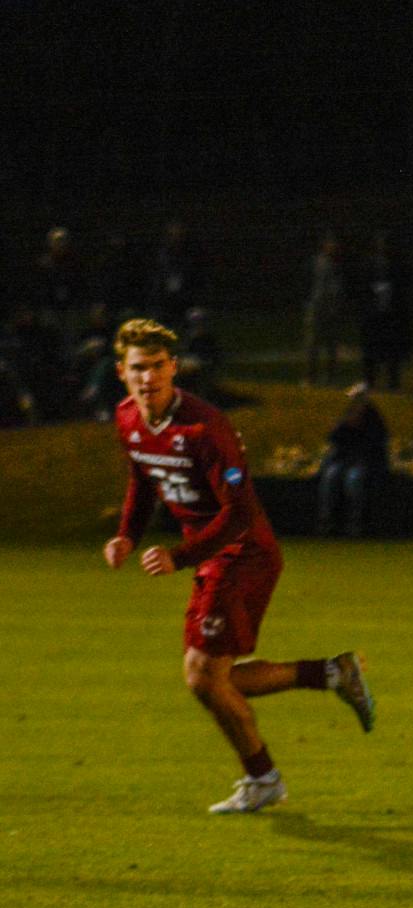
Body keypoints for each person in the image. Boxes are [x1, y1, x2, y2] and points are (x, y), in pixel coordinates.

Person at [101, 320, 375, 813]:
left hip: (245, 553)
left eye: (159, 367)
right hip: (211, 557)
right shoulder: (127, 419)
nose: (149, 378)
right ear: (122, 372)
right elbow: (142, 476)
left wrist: (179, 555)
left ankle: (264, 778)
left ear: (174, 368)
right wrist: (128, 534)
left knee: (203, 676)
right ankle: (333, 674)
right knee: (211, 679)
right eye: (139, 368)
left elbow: (241, 513)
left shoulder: (207, 428)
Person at [317, 383, 393, 536]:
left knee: (354, 479)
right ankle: (327, 521)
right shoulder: (348, 416)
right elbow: (334, 439)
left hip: (364, 462)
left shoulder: (374, 421)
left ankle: (356, 521)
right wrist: (341, 427)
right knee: (331, 476)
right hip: (345, 461)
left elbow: (375, 445)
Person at [357, 233, 413, 390]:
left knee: (392, 350)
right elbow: (362, 288)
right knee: (371, 350)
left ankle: (393, 382)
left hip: (391, 314)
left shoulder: (396, 265)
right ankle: (370, 381)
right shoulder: (369, 265)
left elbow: (403, 287)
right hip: (373, 314)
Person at [302, 233, 345, 387]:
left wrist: (338, 305)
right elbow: (308, 282)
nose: (333, 246)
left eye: (334, 244)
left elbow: (339, 287)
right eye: (330, 243)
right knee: (312, 344)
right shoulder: (316, 262)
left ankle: (331, 378)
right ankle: (310, 378)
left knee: (331, 345)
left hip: (331, 308)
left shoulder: (338, 264)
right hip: (316, 306)